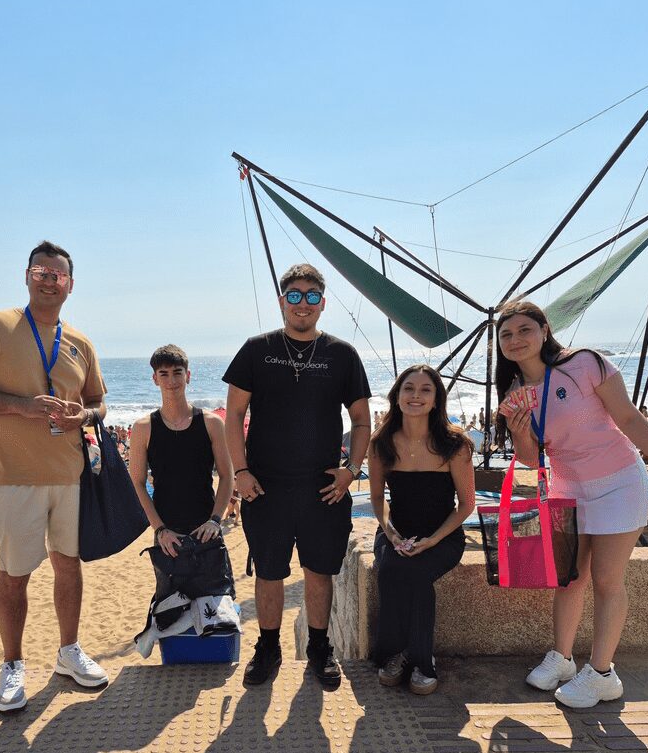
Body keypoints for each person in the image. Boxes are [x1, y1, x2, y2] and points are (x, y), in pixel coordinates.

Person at [496, 298, 648, 710]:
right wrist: (518, 431)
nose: (515, 340)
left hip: (619, 482)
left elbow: (630, 419)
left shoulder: (584, 364)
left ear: (544, 331)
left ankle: (603, 674)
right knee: (569, 579)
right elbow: (531, 460)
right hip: (568, 489)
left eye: (524, 330)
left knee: (606, 579)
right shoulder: (514, 393)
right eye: (506, 334)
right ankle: (563, 658)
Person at [0, 241, 108, 713]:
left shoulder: (80, 341)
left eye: (57, 275)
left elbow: (99, 404)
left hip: (70, 476)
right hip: (13, 477)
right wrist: (23, 407)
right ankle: (12, 664)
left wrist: (84, 416)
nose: (48, 281)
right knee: (14, 574)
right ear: (26, 276)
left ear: (70, 285)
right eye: (40, 272)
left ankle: (68, 652)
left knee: (69, 566)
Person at [224, 263, 371, 691]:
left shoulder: (342, 354)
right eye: (294, 295)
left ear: (322, 304)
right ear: (282, 301)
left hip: (323, 489)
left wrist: (351, 470)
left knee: (318, 572)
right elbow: (234, 416)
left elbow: (362, 420)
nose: (302, 303)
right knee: (269, 573)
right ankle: (268, 647)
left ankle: (320, 648)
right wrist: (240, 472)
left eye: (311, 296)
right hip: (264, 487)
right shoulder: (257, 349)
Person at [369, 365, 475, 695]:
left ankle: (419, 659)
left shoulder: (454, 444)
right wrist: (392, 535)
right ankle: (398, 654)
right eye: (409, 388)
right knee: (390, 569)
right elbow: (377, 499)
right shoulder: (381, 443)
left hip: (443, 535)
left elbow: (466, 505)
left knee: (415, 573)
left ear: (436, 399)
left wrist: (433, 540)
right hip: (396, 531)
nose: (416, 395)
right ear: (397, 396)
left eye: (425, 389)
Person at [128, 344, 234, 554]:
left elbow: (227, 475)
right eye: (164, 374)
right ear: (155, 379)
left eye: (177, 372)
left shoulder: (212, 423)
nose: (171, 381)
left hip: (207, 529)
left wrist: (215, 520)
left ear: (188, 376)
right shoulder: (143, 428)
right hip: (167, 535)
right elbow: (137, 483)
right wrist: (159, 529)